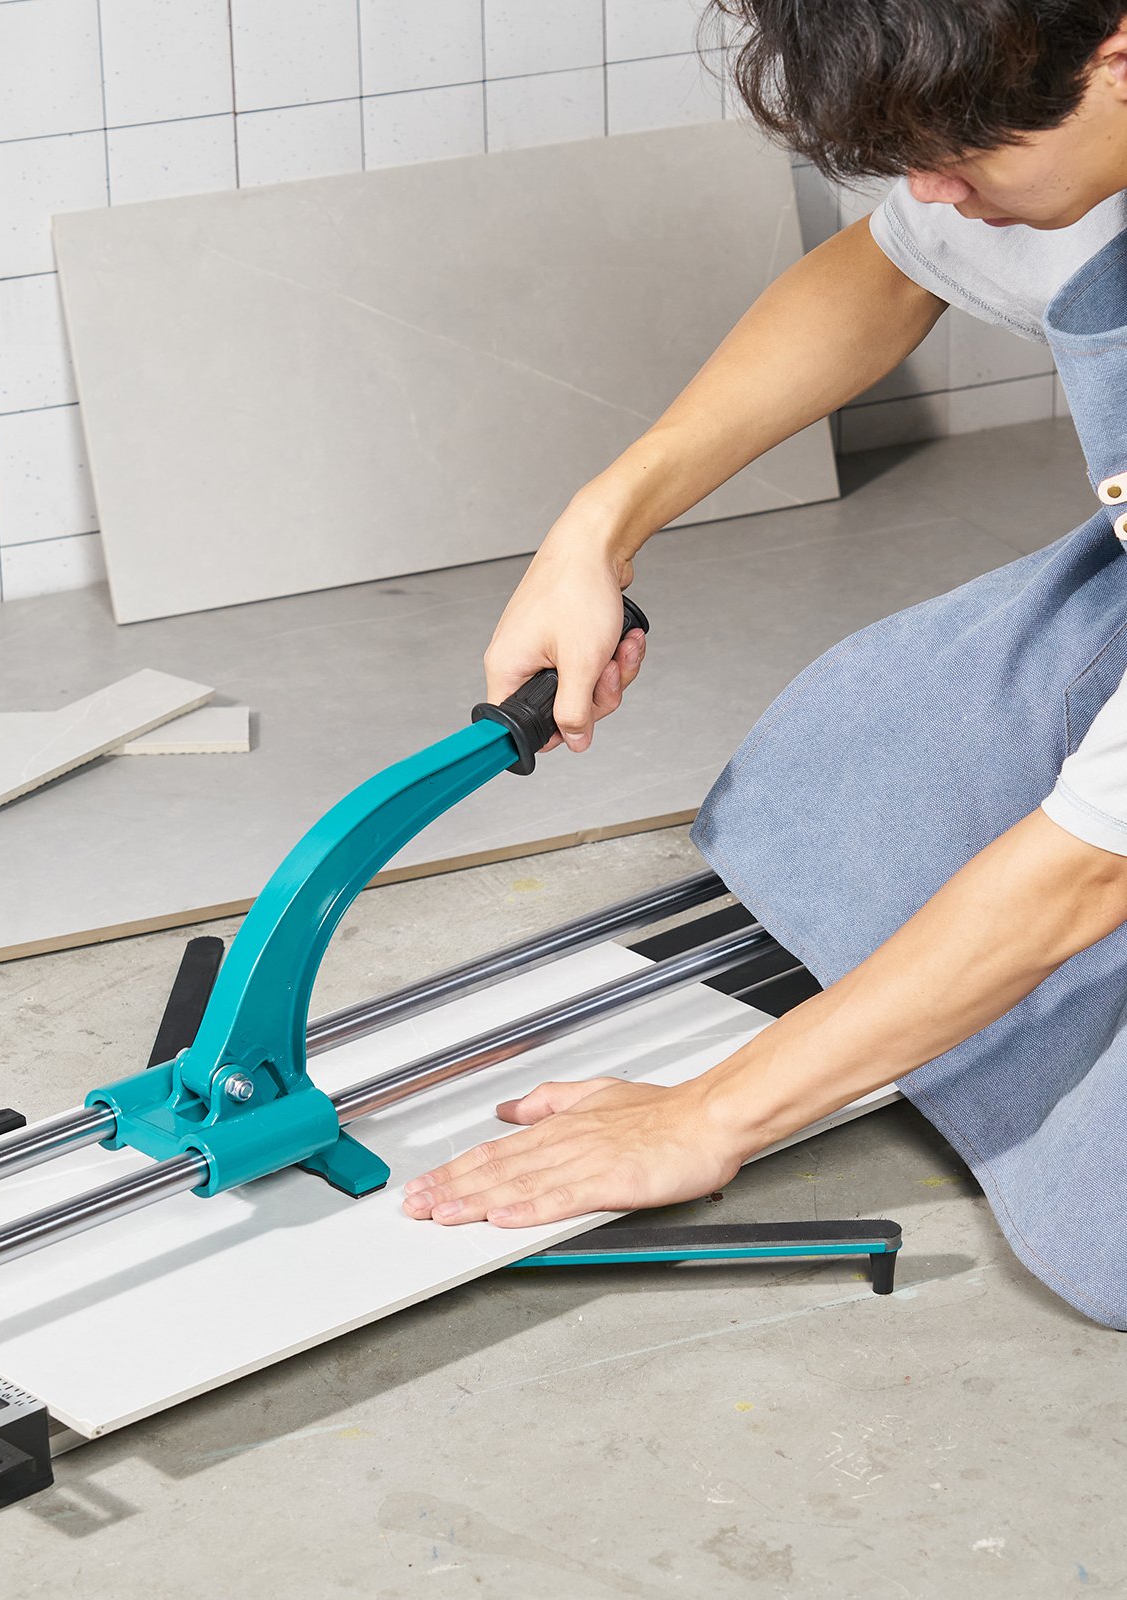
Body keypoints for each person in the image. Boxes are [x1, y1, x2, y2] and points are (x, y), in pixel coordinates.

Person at [401, 0, 1127, 1331]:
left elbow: (1095, 862)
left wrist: (710, 1116)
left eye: (961, 156)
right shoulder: (1071, 105)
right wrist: (597, 526)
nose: (932, 191)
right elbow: (893, 266)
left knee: (1113, 1226)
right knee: (849, 775)